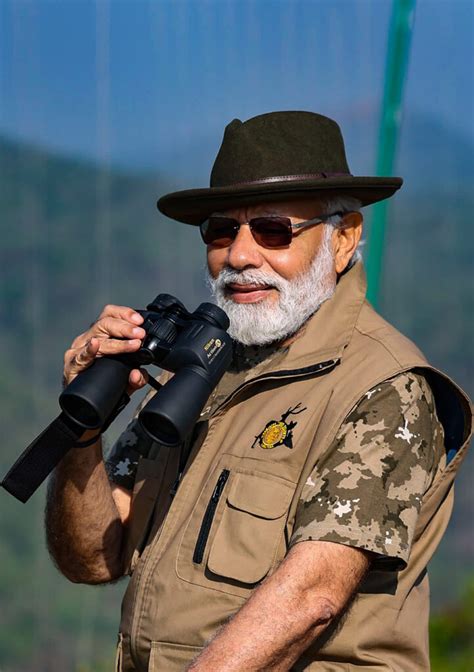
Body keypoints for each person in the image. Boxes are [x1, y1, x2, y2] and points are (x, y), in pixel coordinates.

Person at [46, 111, 472, 672]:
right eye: (222, 230)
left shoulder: (383, 388)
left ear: (343, 240)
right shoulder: (196, 371)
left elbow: (310, 600)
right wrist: (82, 433)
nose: (240, 256)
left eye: (273, 230)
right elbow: (94, 560)